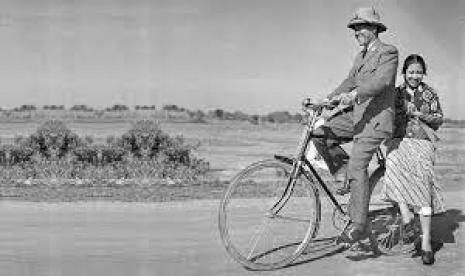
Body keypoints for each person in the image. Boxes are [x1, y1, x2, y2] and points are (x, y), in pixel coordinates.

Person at [311, 6, 398, 246]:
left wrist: (354, 95)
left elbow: (381, 82)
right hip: (357, 116)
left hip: (377, 120)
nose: (356, 32)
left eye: (360, 27)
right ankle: (343, 175)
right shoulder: (359, 57)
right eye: (354, 27)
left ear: (373, 28)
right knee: (320, 134)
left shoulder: (388, 52)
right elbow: (348, 81)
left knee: (358, 165)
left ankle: (359, 226)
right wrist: (326, 101)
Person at [382, 54, 445, 265]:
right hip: (399, 143)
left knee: (423, 191)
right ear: (404, 73)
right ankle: (405, 214)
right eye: (411, 72)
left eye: (419, 72)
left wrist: (419, 114)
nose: (415, 76)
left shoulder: (430, 94)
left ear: (423, 73)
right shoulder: (396, 94)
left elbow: (439, 119)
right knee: (392, 168)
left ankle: (426, 243)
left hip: (422, 144)